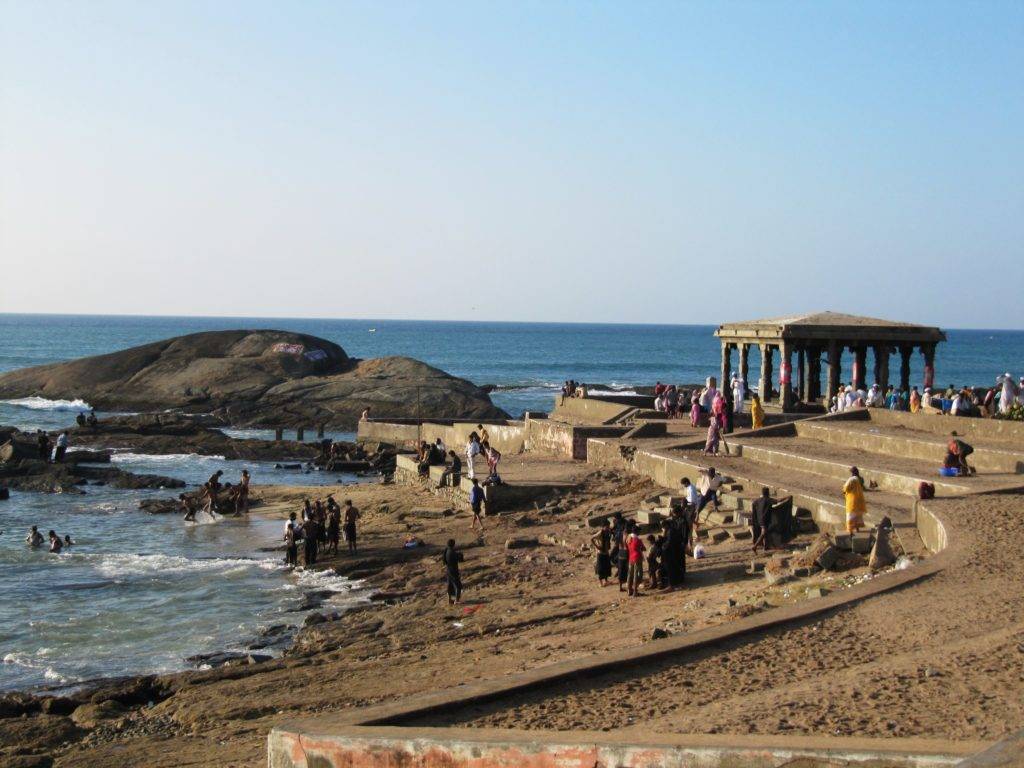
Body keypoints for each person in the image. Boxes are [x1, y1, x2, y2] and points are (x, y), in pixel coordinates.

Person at [842, 467, 867, 534]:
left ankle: (850, 530)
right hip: (859, 498)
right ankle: (857, 529)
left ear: (852, 473)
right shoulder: (860, 479)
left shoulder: (851, 479)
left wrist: (844, 491)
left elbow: (846, 488)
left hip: (852, 499)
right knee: (857, 514)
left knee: (851, 514)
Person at [750, 487, 774, 553]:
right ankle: (755, 546)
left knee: (765, 533)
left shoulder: (758, 500)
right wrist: (787, 497)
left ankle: (765, 547)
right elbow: (778, 501)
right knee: (763, 533)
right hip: (764, 520)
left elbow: (753, 504)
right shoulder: (768, 500)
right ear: (768, 493)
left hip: (759, 519)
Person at [441, 539, 464, 605]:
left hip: (448, 571)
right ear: (453, 544)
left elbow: (444, 561)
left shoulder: (446, 550)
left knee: (450, 586)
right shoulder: (452, 552)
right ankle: (456, 600)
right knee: (458, 586)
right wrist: (460, 555)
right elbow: (460, 560)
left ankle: (450, 600)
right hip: (453, 571)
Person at [590, 519, 612, 587]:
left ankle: (606, 581)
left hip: (606, 552)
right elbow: (592, 538)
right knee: (601, 568)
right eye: (607, 526)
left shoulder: (607, 532)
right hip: (600, 553)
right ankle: (600, 582)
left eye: (608, 526)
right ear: (603, 526)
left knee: (607, 567)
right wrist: (597, 546)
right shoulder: (600, 533)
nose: (608, 527)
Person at [626, 526, 645, 597]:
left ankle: (629, 590)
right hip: (637, 557)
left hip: (631, 557)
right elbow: (643, 548)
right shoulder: (637, 540)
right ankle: (635, 592)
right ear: (637, 532)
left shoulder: (628, 538)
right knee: (637, 574)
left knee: (630, 574)